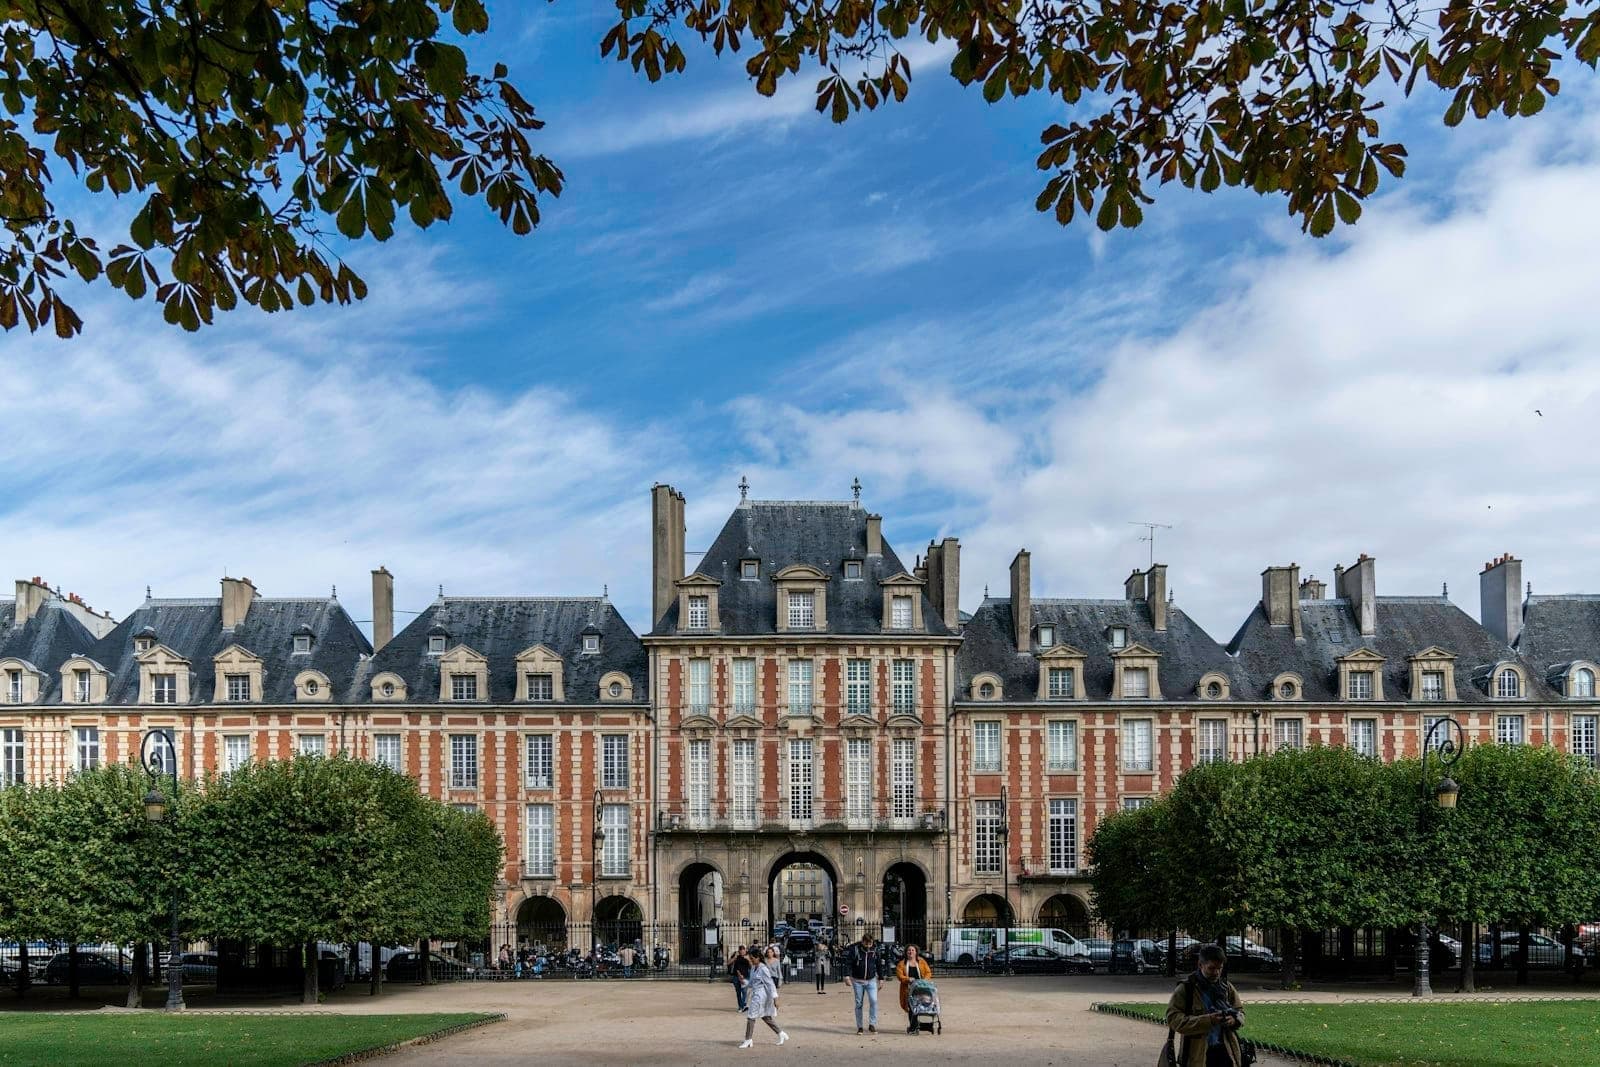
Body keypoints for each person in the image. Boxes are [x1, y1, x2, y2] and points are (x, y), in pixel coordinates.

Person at [1166, 943, 1246, 1067]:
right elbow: (1173, 1019)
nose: (1216, 973)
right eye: (1212, 968)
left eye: (1220, 968)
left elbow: (1240, 1012)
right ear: (1200, 965)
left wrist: (1234, 1020)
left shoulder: (1226, 987)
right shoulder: (1186, 989)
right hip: (1197, 1054)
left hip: (1226, 1051)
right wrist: (1208, 1021)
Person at [739, 947, 789, 1049]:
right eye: (750, 958)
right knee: (765, 1016)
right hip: (756, 995)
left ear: (758, 958)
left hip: (762, 996)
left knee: (751, 1016)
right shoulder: (753, 968)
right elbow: (752, 984)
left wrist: (775, 999)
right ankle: (780, 1033)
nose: (751, 960)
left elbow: (770, 984)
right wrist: (743, 980)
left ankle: (748, 1039)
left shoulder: (763, 969)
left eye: (752, 958)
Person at [846, 933, 880, 1035]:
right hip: (857, 981)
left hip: (871, 980)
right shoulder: (855, 950)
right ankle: (860, 1027)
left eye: (870, 944)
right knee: (859, 1003)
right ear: (863, 941)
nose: (869, 946)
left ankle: (872, 1024)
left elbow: (878, 964)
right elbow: (848, 963)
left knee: (874, 1001)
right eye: (866, 943)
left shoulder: (875, 950)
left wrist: (881, 978)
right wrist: (847, 976)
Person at [896, 944, 932, 1035]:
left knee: (920, 1008)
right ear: (906, 952)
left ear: (916, 952)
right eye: (909, 950)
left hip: (921, 988)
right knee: (912, 1008)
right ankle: (913, 1027)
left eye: (912, 950)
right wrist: (908, 979)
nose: (910, 952)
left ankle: (915, 1026)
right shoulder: (902, 964)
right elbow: (899, 976)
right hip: (908, 989)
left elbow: (928, 972)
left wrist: (924, 980)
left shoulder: (922, 961)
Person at [730, 945, 751, 1012]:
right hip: (736, 976)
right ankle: (741, 1006)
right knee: (738, 992)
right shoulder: (736, 957)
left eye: (743, 950)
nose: (742, 952)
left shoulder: (748, 957)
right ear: (739, 951)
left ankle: (742, 1006)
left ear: (745, 950)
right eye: (740, 950)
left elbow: (752, 967)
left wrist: (748, 959)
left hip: (745, 976)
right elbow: (728, 963)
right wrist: (734, 957)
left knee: (744, 991)